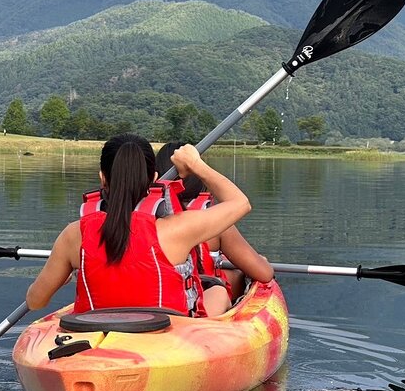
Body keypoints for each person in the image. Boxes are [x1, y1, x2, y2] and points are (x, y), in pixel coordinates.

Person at [25, 134, 253, 317]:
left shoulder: (73, 235)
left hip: (96, 340)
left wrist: (62, 276)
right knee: (216, 291)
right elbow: (240, 203)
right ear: (154, 179)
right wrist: (196, 165)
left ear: (102, 178)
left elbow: (35, 302)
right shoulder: (176, 229)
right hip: (166, 343)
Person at [156, 142, 274, 306]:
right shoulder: (217, 225)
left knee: (231, 275)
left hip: (164, 303)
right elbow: (264, 273)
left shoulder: (148, 221)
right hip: (198, 306)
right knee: (238, 276)